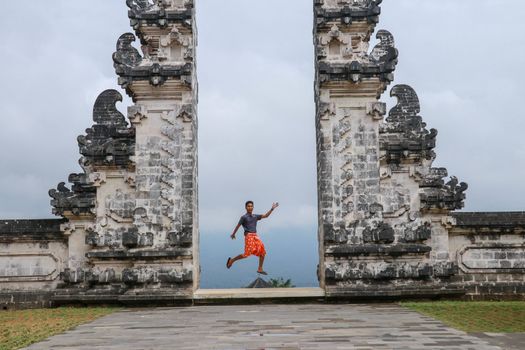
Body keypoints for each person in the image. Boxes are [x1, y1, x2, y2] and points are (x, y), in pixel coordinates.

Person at [226, 201, 279, 275]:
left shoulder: (255, 216)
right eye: (248, 206)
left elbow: (266, 216)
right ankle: (232, 260)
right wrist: (233, 234)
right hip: (249, 236)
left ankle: (260, 268)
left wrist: (272, 209)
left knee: (263, 252)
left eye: (251, 206)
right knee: (246, 254)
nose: (250, 207)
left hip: (255, 236)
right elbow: (238, 226)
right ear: (246, 207)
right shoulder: (243, 217)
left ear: (253, 207)